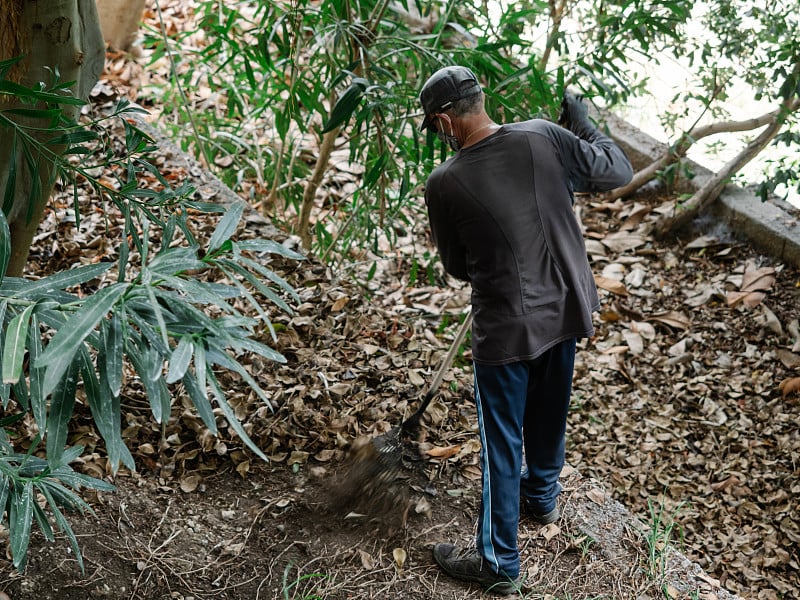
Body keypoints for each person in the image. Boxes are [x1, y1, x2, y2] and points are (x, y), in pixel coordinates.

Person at [418, 65, 633, 595]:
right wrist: (583, 126)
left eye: (434, 126)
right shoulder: (544, 134)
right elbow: (617, 171)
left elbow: (456, 266)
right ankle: (541, 497)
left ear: (445, 122)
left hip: (506, 330)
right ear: (481, 98)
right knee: (550, 408)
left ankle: (498, 562)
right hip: (565, 308)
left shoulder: (444, 183)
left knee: (501, 440)